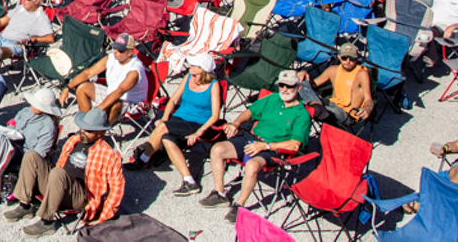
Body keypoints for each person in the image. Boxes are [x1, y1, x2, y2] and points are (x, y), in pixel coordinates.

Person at [200, 69, 312, 224]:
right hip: (252, 138)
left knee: (252, 166)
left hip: (274, 149)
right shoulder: (272, 98)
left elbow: (294, 145)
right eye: (282, 86)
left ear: (298, 88)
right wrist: (236, 123)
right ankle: (220, 193)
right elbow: (250, 112)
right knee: (217, 149)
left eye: (289, 86)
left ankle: (239, 205)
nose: (285, 90)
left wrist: (265, 146)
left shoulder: (302, 114)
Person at [3, 107, 126, 236]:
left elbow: (117, 190)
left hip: (78, 196)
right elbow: (61, 164)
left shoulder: (109, 155)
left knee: (58, 173)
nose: (82, 131)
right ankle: (25, 205)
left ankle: (47, 222)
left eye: (88, 130)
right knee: (31, 156)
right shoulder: (73, 140)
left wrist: (102, 217)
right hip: (57, 184)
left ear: (100, 133)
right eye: (82, 127)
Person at [129, 54, 221, 195]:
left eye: (193, 65)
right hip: (179, 118)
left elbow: (215, 115)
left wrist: (199, 132)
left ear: (201, 70)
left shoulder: (214, 86)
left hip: (198, 123)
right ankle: (189, 180)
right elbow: (172, 100)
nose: (190, 66)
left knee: (161, 128)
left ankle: (142, 161)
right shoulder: (189, 78)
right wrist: (165, 117)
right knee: (167, 138)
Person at [59, 33, 148, 126]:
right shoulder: (111, 58)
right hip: (112, 94)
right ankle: (86, 126)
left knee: (114, 104)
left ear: (130, 52)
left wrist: (97, 110)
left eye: (120, 50)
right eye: (114, 48)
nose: (115, 52)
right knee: (82, 88)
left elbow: (119, 92)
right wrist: (67, 88)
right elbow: (88, 73)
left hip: (131, 103)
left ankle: (98, 133)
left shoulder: (134, 70)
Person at [299, 42, 373, 125]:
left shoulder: (361, 73)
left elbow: (369, 99)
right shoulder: (333, 70)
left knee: (303, 108)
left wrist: (368, 109)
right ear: (339, 57)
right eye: (344, 58)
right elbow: (311, 85)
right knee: (301, 82)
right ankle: (316, 106)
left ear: (357, 59)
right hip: (329, 104)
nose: (348, 61)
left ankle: (314, 108)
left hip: (345, 112)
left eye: (352, 58)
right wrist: (304, 73)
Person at [10, 86, 64, 166]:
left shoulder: (48, 127)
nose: (32, 105)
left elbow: (38, 154)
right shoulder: (26, 111)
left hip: (22, 155)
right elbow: (12, 125)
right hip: (10, 143)